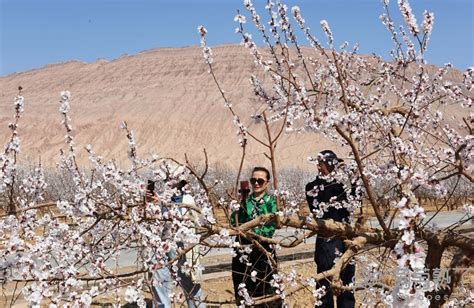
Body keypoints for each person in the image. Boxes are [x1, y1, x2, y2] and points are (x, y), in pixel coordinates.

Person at [305, 150, 356, 308]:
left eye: (330, 163)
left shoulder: (343, 186)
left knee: (347, 286)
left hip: (346, 238)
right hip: (325, 241)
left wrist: (354, 180)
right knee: (324, 286)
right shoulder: (312, 187)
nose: (325, 166)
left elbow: (355, 202)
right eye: (322, 163)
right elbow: (321, 207)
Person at [148, 180, 205, 308]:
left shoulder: (188, 199)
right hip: (162, 245)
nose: (171, 183)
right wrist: (151, 203)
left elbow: (199, 221)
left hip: (183, 246)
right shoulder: (164, 197)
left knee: (190, 282)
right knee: (159, 281)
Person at [231, 167, 281, 307]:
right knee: (243, 286)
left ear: (267, 183)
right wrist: (239, 206)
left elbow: (271, 227)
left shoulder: (271, 202)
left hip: (263, 249)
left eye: (260, 180)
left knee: (267, 286)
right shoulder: (244, 201)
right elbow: (234, 224)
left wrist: (253, 230)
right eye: (253, 180)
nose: (256, 183)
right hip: (242, 249)